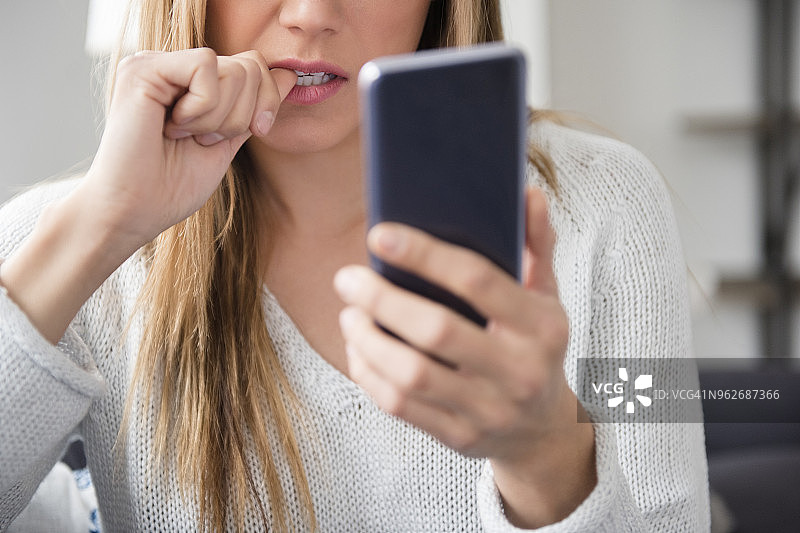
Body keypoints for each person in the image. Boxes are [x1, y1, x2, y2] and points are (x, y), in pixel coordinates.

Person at [0, 0, 710, 531]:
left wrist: (545, 454)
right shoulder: (60, 241)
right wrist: (96, 231)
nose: (311, 14)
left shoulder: (607, 205)